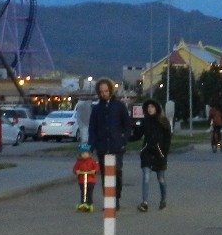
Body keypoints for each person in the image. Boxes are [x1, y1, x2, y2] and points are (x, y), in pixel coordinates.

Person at [86, 77, 131, 205]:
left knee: (116, 172)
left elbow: (127, 125)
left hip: (116, 146)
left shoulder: (119, 106)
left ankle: (116, 195)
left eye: (106, 91)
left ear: (110, 90)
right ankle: (110, 201)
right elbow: (92, 129)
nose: (103, 94)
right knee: (106, 176)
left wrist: (123, 140)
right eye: (101, 92)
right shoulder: (96, 109)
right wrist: (91, 146)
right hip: (102, 147)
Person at [137, 99, 171, 212]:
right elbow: (137, 135)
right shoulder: (145, 121)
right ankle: (144, 203)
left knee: (161, 178)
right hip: (147, 152)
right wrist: (124, 137)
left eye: (152, 107)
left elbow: (167, 138)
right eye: (148, 107)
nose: (150, 109)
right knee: (146, 176)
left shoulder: (163, 121)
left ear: (156, 108)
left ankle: (163, 200)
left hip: (159, 154)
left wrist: (164, 152)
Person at [73, 145, 99, 212]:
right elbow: (75, 168)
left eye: (86, 153)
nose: (84, 155)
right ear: (80, 154)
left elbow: (96, 167)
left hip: (90, 180)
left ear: (89, 154)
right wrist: (77, 171)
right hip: (82, 180)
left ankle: (89, 203)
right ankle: (83, 203)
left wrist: (94, 170)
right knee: (83, 192)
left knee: (89, 192)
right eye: (83, 154)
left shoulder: (92, 161)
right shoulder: (79, 162)